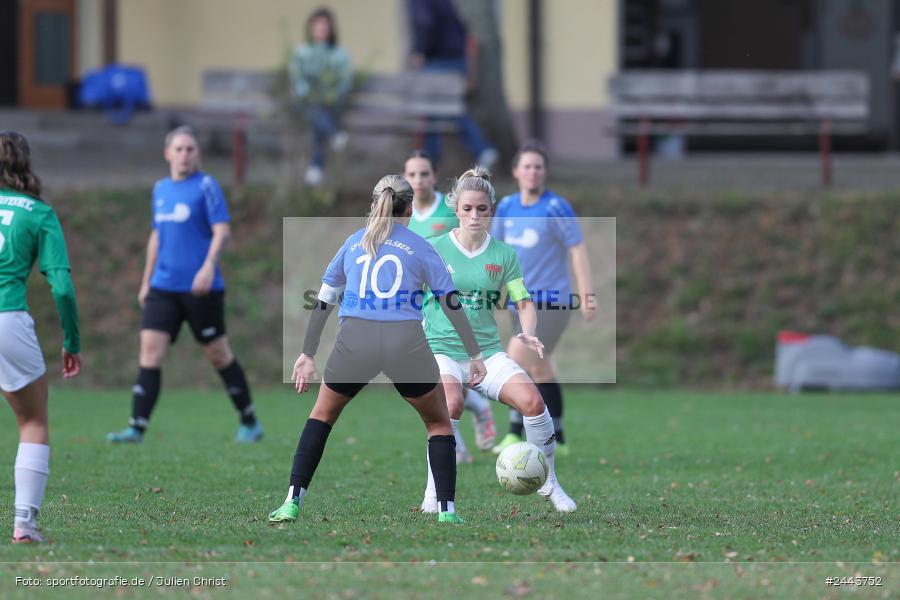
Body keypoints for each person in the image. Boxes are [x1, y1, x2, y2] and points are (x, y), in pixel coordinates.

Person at [267, 174, 487, 525]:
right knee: (439, 424)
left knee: (321, 416)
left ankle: (291, 502)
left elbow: (324, 302)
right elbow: (451, 304)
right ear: (410, 210)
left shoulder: (353, 243)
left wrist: (307, 354)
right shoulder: (420, 247)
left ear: (374, 205)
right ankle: (447, 512)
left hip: (356, 341)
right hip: (406, 344)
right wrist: (475, 355)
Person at [420, 167, 576, 513]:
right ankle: (434, 494)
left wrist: (527, 330)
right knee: (451, 405)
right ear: (456, 209)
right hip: (440, 350)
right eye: (467, 209)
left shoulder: (503, 254)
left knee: (534, 405)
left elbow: (522, 300)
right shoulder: (433, 249)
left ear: (492, 210)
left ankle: (549, 483)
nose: (475, 216)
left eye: (482, 209)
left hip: (487, 352)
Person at [107, 126, 262, 444]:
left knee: (219, 354)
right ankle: (136, 427)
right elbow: (156, 236)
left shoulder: (206, 186)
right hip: (163, 286)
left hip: (201, 288)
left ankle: (249, 420)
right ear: (167, 154)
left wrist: (208, 266)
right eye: (178, 149)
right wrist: (145, 280)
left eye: (190, 149)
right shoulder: (160, 190)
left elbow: (222, 231)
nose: (184, 154)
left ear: (197, 154)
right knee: (149, 352)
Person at [0, 131, 82, 542]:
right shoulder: (37, 212)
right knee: (32, 422)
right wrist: (72, 341)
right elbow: (63, 287)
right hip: (6, 319)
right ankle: (24, 527)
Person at [490, 141, 595, 457]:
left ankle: (513, 432)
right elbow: (496, 253)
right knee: (541, 369)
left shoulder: (555, 207)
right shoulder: (506, 207)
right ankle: (559, 439)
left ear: (544, 173)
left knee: (512, 362)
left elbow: (577, 250)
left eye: (539, 167)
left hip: (552, 303)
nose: (533, 172)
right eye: (527, 166)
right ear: (516, 171)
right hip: (518, 303)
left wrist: (587, 294)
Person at [403, 150, 495, 459]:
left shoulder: (451, 210)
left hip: (453, 304)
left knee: (444, 379)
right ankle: (477, 411)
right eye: (412, 175)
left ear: (433, 175)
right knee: (430, 382)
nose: (418, 180)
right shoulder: (403, 213)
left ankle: (457, 441)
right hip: (415, 302)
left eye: (424, 173)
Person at [408, 0, 498, 170]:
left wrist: (420, 50)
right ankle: (431, 163)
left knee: (439, 111)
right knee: (444, 111)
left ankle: (432, 162)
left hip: (438, 60)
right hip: (455, 57)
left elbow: (424, 22)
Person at [289, 7, 353, 187]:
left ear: (332, 28)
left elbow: (344, 80)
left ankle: (316, 167)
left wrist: (332, 94)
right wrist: (310, 93)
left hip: (331, 104)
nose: (321, 29)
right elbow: (298, 79)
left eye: (325, 25)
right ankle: (333, 134)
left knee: (319, 118)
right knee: (315, 110)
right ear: (310, 28)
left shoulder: (340, 54)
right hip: (308, 102)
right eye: (318, 25)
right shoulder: (301, 52)